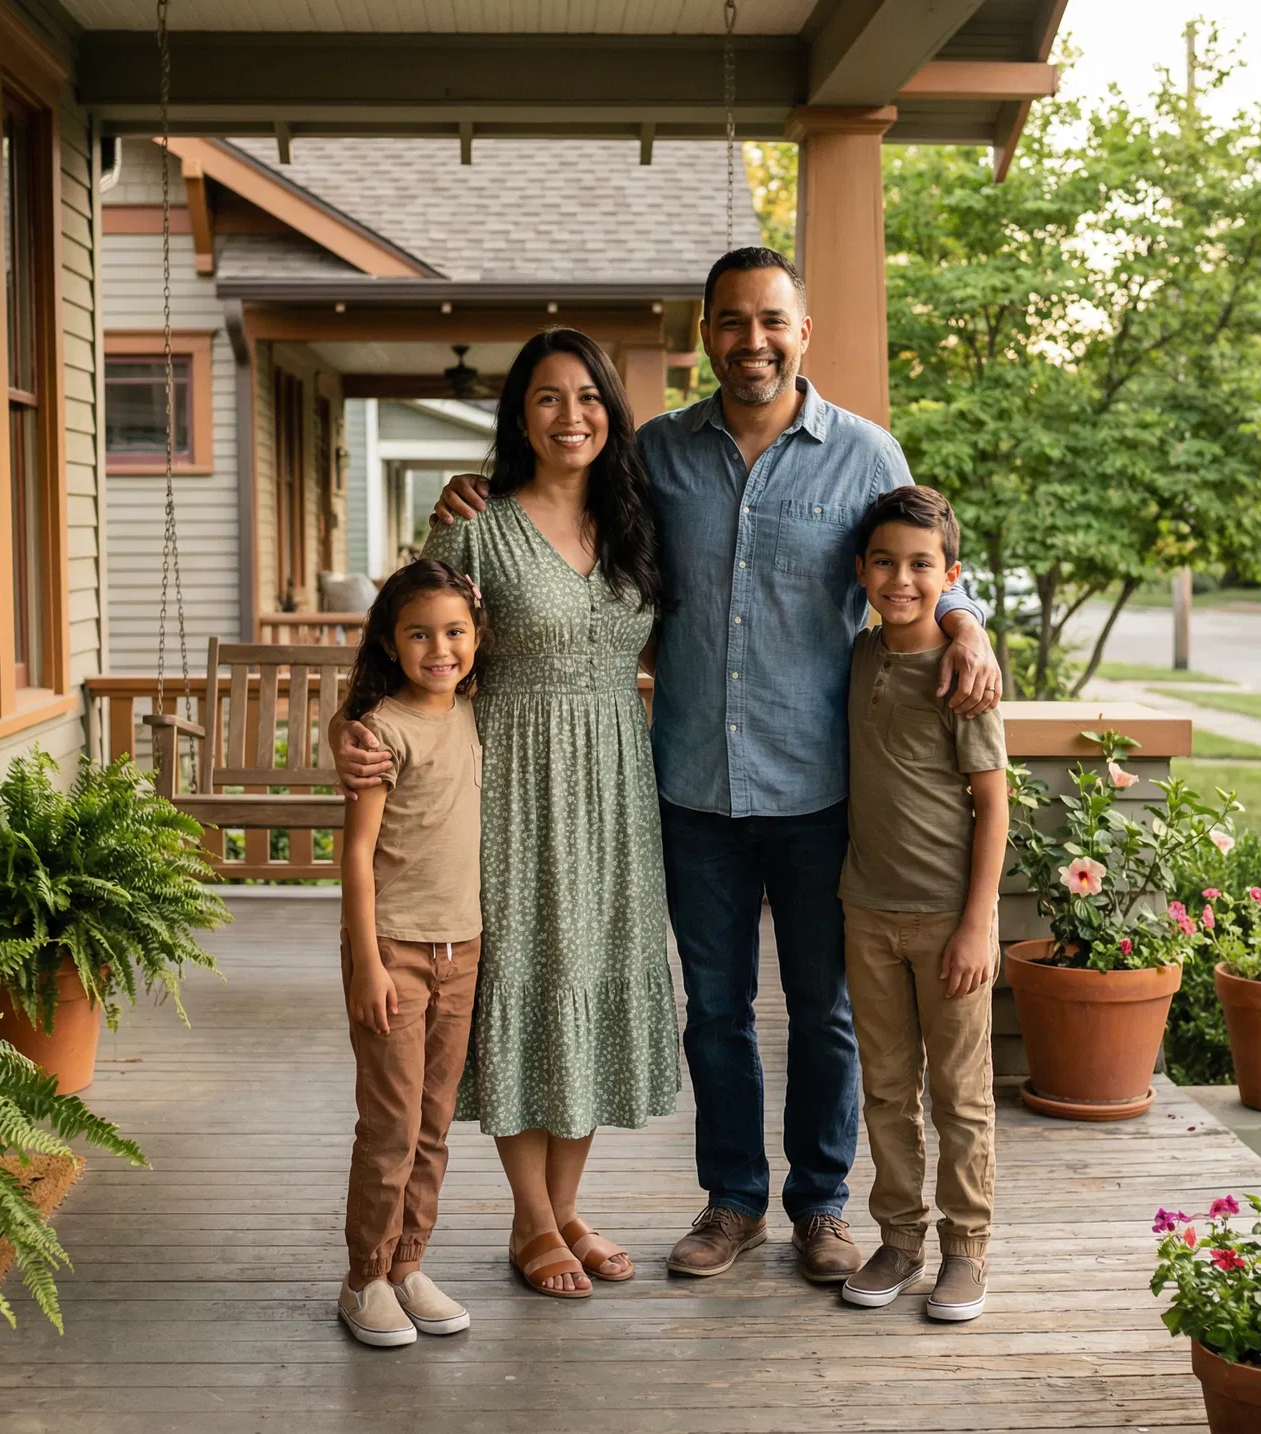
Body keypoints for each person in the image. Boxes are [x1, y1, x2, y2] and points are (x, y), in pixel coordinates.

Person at [427, 248, 1003, 1286]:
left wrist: (966, 622)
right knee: (717, 1010)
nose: (753, 341)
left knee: (825, 1011)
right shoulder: (653, 455)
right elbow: (565, 512)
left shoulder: (868, 454)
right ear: (707, 336)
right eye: (732, 322)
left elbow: (921, 560)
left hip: (824, 787)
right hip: (687, 786)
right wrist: (478, 490)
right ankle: (733, 1201)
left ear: (803, 332)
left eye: (772, 321)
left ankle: (821, 1206)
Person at [340, 328, 678, 1301]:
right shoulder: (475, 528)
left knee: (592, 982)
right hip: (512, 786)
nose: (570, 415)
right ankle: (532, 1223)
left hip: (615, 787)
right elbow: (398, 646)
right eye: (546, 397)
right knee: (525, 991)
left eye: (587, 397)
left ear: (610, 412)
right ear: (517, 415)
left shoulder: (633, 523)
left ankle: (566, 1205)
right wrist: (348, 733)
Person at [833, 487, 1006, 1322]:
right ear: (861, 569)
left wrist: (977, 925)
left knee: (960, 1093)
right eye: (885, 562)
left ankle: (966, 1250)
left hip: (948, 920)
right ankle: (899, 1237)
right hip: (866, 910)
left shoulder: (961, 671)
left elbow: (994, 804)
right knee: (887, 1085)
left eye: (921, 565)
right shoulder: (861, 655)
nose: (902, 579)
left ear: (952, 576)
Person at [335, 559, 487, 1349]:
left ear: (476, 638)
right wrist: (366, 962)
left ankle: (407, 1264)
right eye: (420, 633)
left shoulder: (470, 711)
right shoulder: (381, 729)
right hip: (393, 948)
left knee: (433, 1123)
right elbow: (357, 855)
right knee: (391, 1123)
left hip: (463, 947)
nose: (440, 648)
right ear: (391, 645)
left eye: (454, 632)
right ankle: (364, 1277)